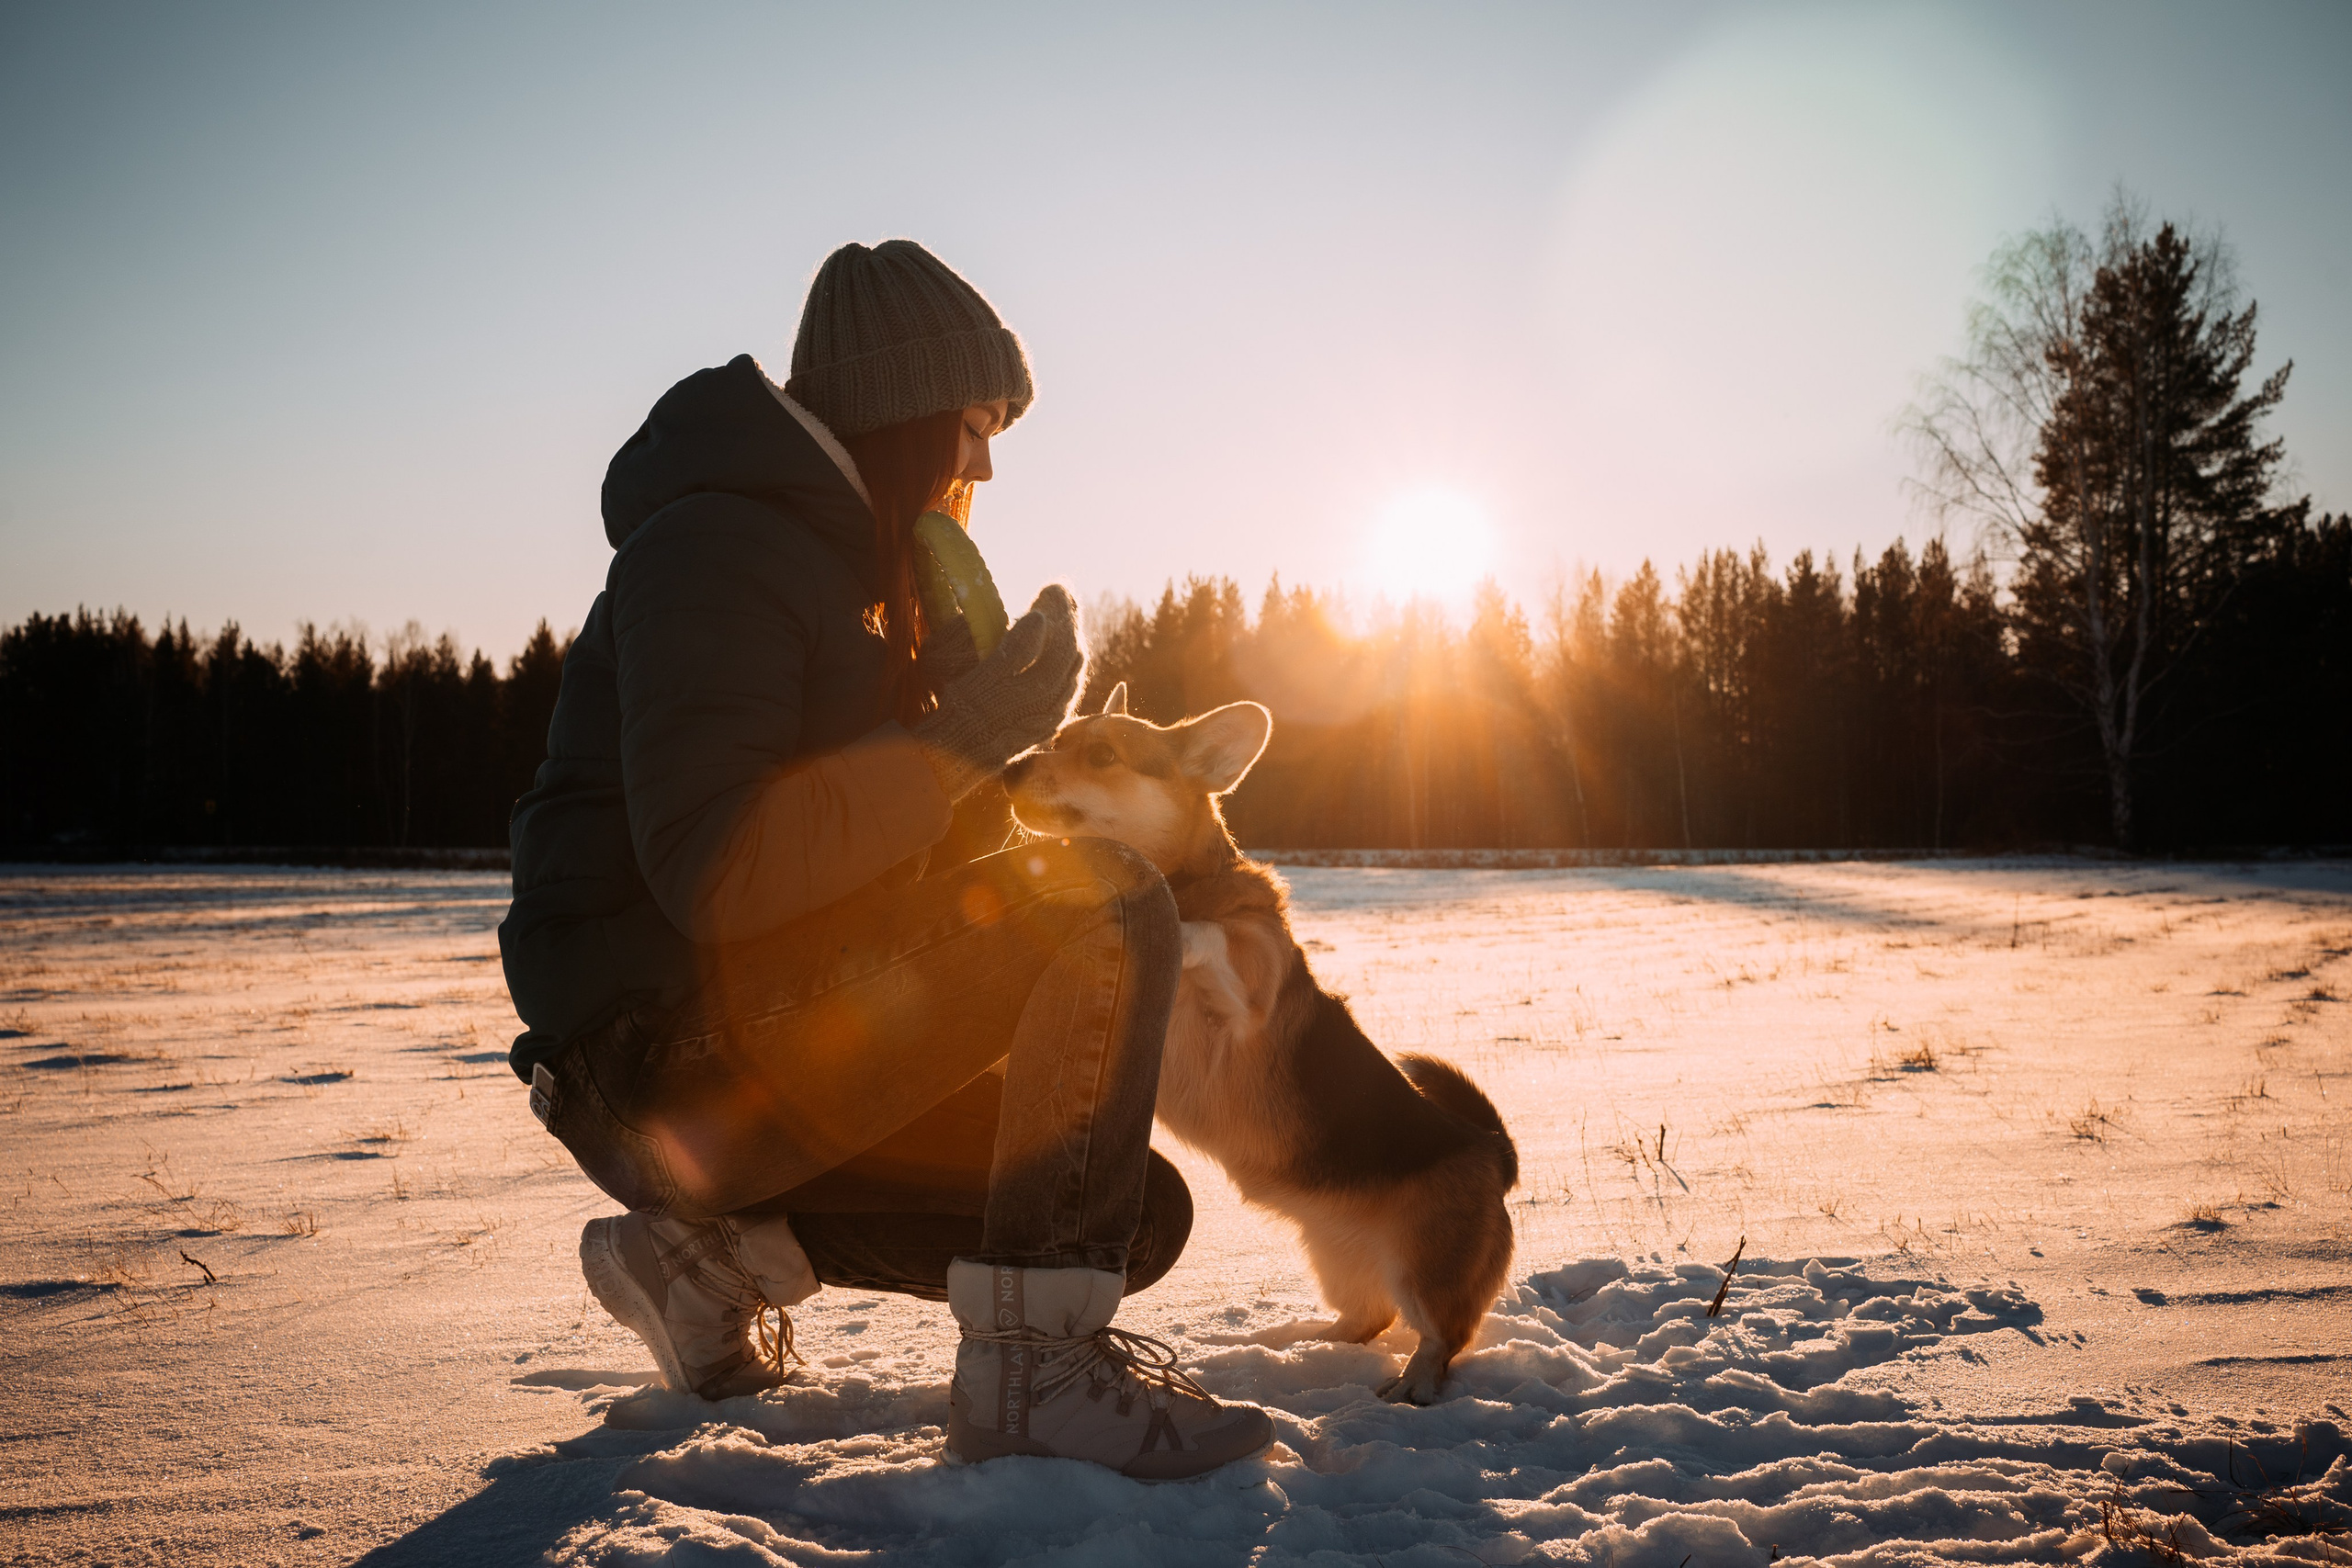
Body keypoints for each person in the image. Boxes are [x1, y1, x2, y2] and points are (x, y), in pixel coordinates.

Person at [497, 240, 1272, 1479]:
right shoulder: (716, 548)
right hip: (647, 1059)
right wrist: (958, 745)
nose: (985, 464)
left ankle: (705, 1266)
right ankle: (1034, 1378)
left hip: (755, 1037)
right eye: (974, 425)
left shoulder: (854, 584)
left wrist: (972, 755)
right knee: (1107, 900)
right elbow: (720, 870)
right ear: (900, 408)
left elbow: (874, 883)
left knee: (1122, 1210)